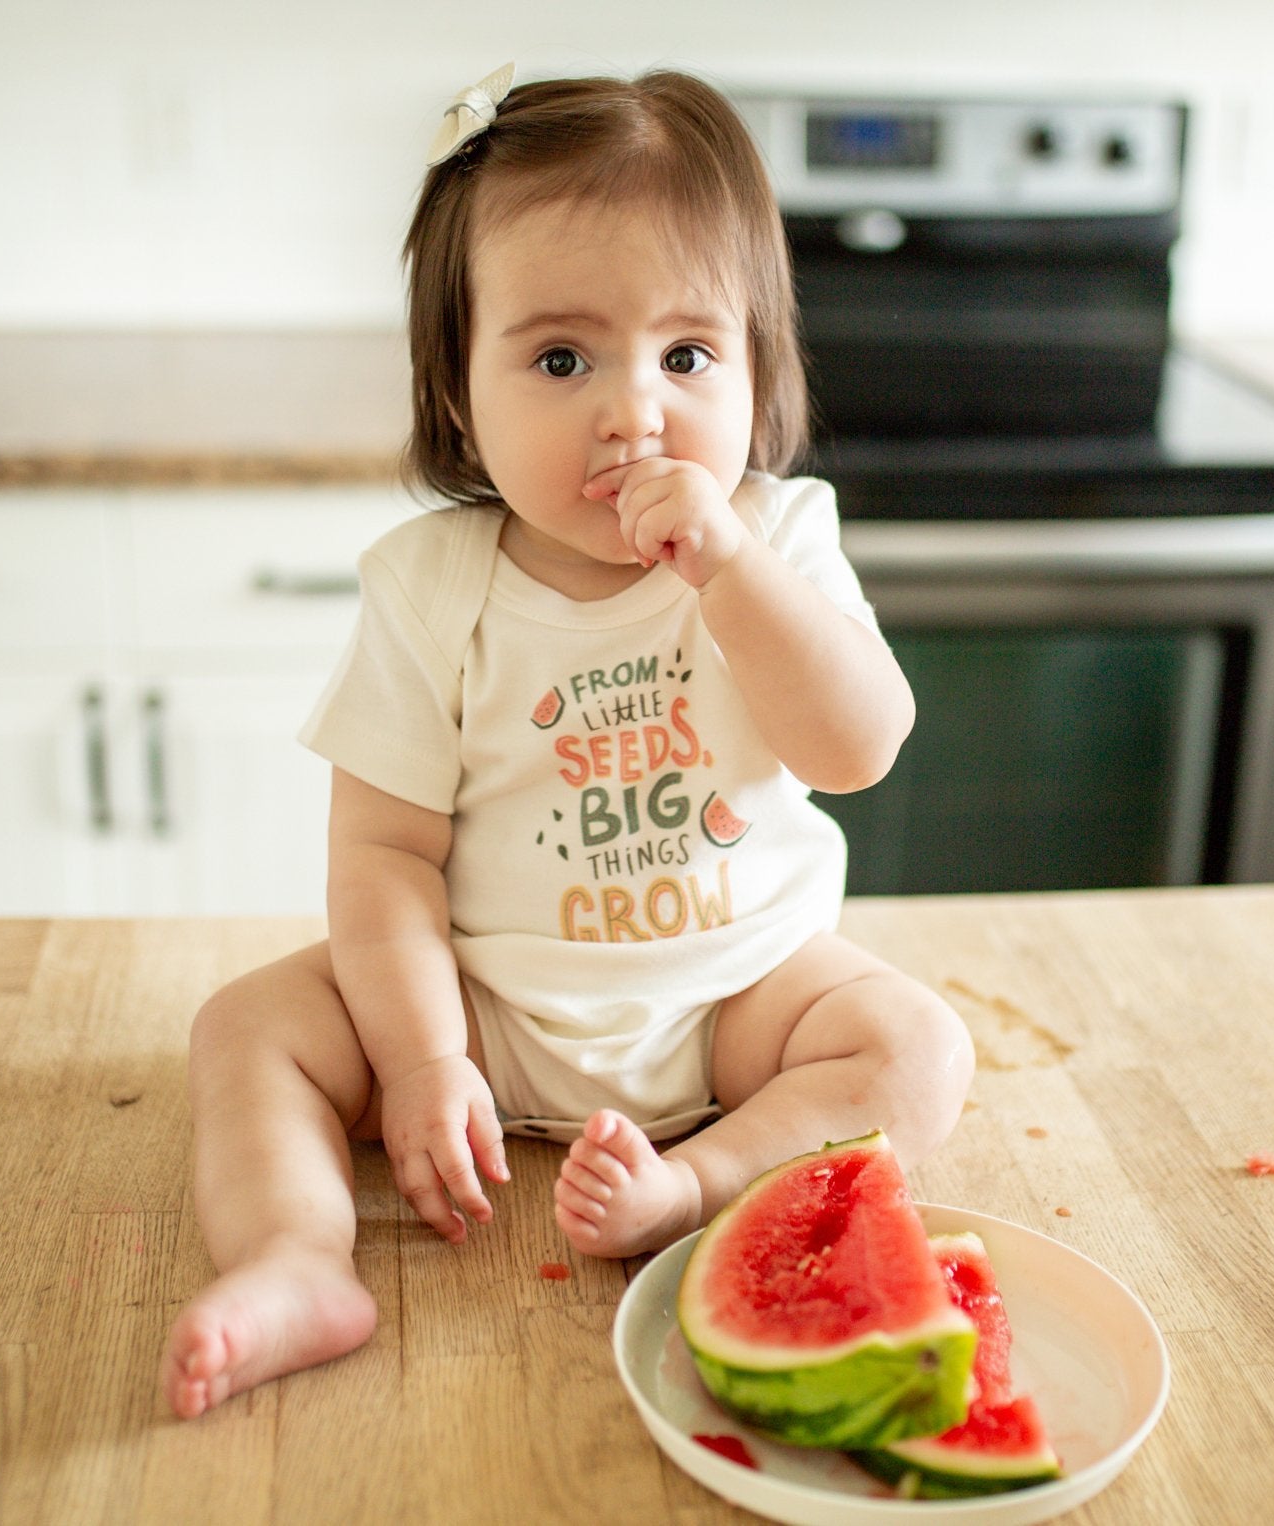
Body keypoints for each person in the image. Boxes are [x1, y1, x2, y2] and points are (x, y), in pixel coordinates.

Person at [160, 64, 975, 1421]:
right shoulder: (430, 587)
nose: (634, 412)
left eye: (687, 356)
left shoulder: (776, 538)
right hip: (484, 1009)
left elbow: (857, 747)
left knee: (917, 1046)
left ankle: (697, 1183)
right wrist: (423, 1059)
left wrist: (730, 570)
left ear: (757, 367)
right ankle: (295, 1257)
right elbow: (383, 858)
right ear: (456, 390)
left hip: (739, 1006)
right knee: (246, 1030)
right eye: (560, 360)